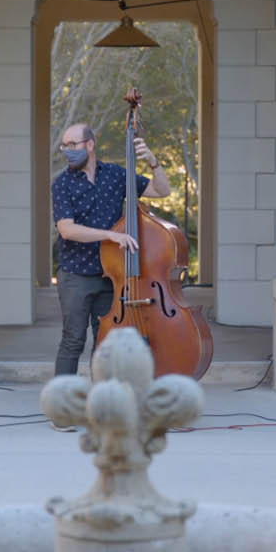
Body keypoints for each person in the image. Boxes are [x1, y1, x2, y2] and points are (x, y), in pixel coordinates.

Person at [50, 123, 171, 391]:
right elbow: (66, 229)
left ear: (90, 145)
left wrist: (153, 162)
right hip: (76, 275)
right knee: (73, 340)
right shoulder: (62, 184)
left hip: (111, 276)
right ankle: (61, 407)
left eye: (73, 145)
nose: (67, 151)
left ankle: (102, 401)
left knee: (105, 342)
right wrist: (111, 236)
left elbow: (162, 191)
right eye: (64, 146)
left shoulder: (115, 175)